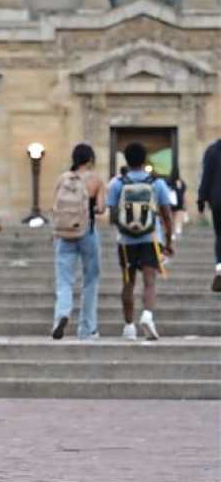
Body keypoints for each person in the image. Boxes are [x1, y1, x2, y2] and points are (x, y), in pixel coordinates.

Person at [106, 141, 176, 341]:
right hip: (151, 238)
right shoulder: (157, 183)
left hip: (126, 241)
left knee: (128, 282)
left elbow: (112, 213)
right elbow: (167, 215)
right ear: (144, 159)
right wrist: (169, 242)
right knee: (149, 281)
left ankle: (129, 326)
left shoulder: (117, 183)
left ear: (126, 160)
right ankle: (147, 315)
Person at [48, 144, 105, 340]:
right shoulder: (95, 180)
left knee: (64, 281)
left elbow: (54, 206)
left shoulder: (62, 179)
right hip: (87, 232)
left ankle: (61, 315)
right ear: (90, 159)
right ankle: (87, 328)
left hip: (64, 234)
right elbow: (101, 208)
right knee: (90, 280)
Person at [199, 137, 221, 292]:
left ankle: (220, 269)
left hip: (218, 201)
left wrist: (201, 199)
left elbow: (206, 177)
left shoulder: (212, 151)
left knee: (220, 236)